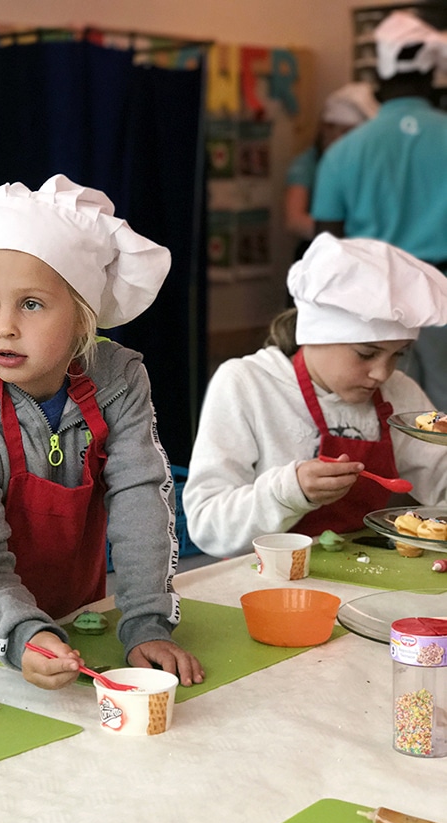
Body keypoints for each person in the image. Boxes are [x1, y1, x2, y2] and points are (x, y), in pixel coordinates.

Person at [0, 174, 204, 689]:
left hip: (80, 618)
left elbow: (142, 498)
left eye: (30, 304)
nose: (3, 325)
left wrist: (146, 623)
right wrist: (24, 634)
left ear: (82, 319)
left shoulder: (118, 381)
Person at [183, 233, 447, 558]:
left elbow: (442, 474)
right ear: (315, 335)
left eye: (398, 355)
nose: (382, 373)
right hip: (264, 580)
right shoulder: (247, 384)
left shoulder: (399, 392)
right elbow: (207, 525)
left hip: (363, 567)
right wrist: (289, 492)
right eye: (366, 354)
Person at [311, 10, 447, 405]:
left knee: (388, 411)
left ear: (379, 79)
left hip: (372, 309)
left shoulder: (344, 152)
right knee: (442, 420)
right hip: (445, 301)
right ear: (431, 76)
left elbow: (327, 244)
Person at [284, 81, 378, 261]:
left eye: (349, 133)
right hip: (319, 254)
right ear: (325, 128)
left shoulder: (370, 165)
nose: (337, 137)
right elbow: (294, 220)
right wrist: (348, 236)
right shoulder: (307, 165)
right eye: (331, 128)